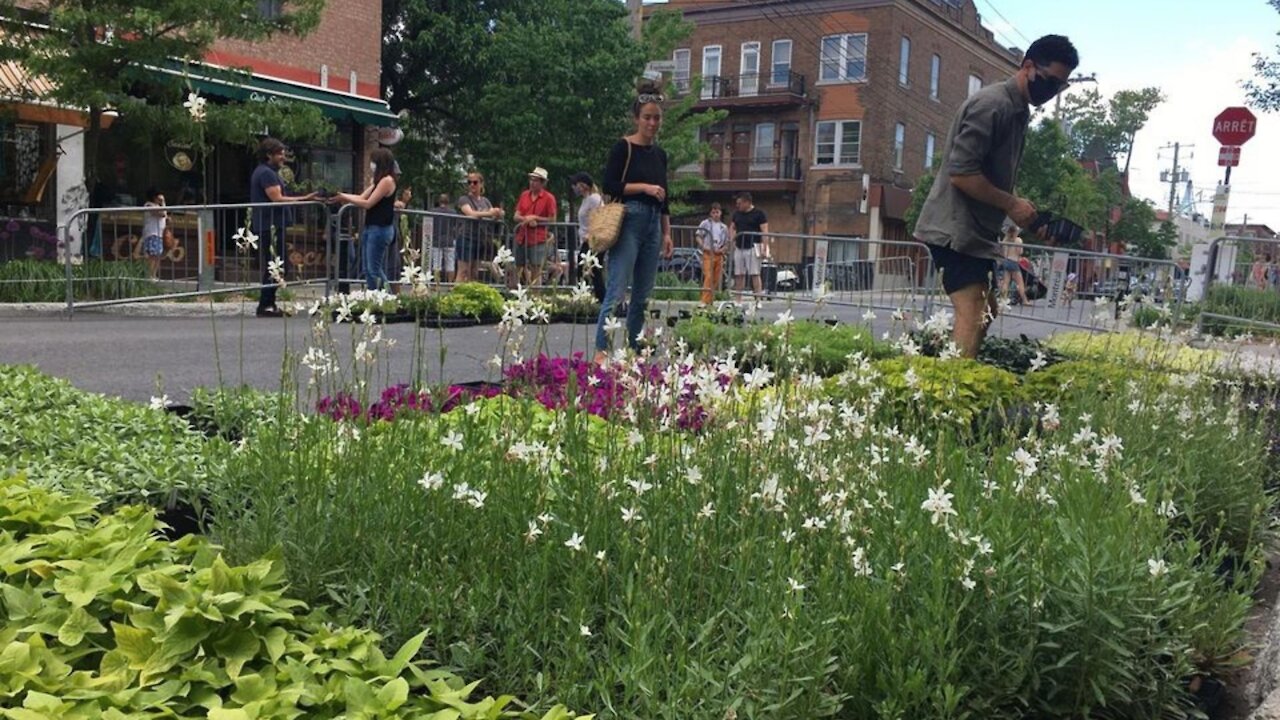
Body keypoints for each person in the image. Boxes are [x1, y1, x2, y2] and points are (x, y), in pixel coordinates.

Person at [913, 34, 1078, 357]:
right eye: (1051, 81)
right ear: (1028, 66)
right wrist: (1011, 203)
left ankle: (940, 364)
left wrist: (1027, 215)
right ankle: (953, 395)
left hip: (975, 232)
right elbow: (961, 173)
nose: (1053, 91)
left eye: (1061, 86)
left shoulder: (1017, 112)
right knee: (974, 312)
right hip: (954, 229)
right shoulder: (992, 105)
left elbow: (991, 178)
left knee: (986, 311)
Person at [594, 79, 674, 365]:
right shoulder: (623, 147)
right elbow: (610, 185)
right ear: (637, 118)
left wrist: (667, 232)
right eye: (647, 117)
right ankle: (601, 352)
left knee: (642, 295)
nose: (652, 123)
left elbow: (666, 196)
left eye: (657, 118)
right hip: (629, 218)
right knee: (616, 292)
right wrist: (643, 187)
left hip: (653, 223)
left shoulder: (661, 155)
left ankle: (635, 351)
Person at [250, 138, 317, 317]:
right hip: (269, 225)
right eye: (279, 153)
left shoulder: (268, 172)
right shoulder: (266, 173)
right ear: (268, 155)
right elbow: (277, 198)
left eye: (283, 153)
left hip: (271, 224)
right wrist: (305, 199)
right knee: (276, 266)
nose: (283, 157)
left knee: (277, 266)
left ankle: (268, 304)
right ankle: (265, 305)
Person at [331, 148, 398, 291]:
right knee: (368, 268)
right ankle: (378, 296)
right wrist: (341, 195)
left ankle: (386, 297)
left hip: (380, 228)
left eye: (373, 161)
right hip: (371, 227)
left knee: (373, 269)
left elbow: (368, 203)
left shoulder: (387, 181)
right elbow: (361, 197)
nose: (371, 165)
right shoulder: (378, 181)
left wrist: (345, 198)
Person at [513, 167, 558, 288]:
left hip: (538, 239)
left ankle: (535, 297)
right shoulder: (524, 195)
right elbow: (516, 216)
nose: (532, 183)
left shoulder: (549, 198)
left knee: (536, 269)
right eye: (531, 179)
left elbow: (552, 220)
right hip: (522, 237)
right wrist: (526, 219)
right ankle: (520, 293)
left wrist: (536, 218)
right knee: (518, 267)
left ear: (543, 183)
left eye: (536, 180)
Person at [456, 171, 504, 283]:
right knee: (463, 271)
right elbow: (470, 213)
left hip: (480, 239)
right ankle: (455, 296)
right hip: (466, 237)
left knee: (474, 272)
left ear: (481, 184)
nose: (472, 185)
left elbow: (492, 217)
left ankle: (471, 296)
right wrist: (490, 213)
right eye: (469, 182)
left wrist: (497, 214)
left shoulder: (485, 201)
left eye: (475, 182)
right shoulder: (464, 199)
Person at [570, 172, 605, 302]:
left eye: (576, 184)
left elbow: (600, 218)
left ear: (583, 185)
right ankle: (596, 298)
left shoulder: (594, 199)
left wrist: (591, 234)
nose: (574, 187)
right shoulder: (586, 200)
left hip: (593, 241)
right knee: (591, 270)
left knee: (587, 269)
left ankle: (596, 298)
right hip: (587, 240)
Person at [729, 191, 769, 300]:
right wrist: (732, 240)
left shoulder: (759, 214)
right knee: (739, 274)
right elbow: (732, 226)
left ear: (747, 202)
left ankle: (758, 298)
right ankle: (738, 299)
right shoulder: (737, 214)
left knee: (755, 274)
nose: (738, 206)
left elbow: (764, 231)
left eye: (740, 203)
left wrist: (764, 248)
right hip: (739, 247)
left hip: (753, 247)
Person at [696, 202, 729, 306]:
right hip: (708, 253)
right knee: (708, 276)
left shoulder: (724, 227)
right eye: (713, 212)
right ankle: (704, 300)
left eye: (717, 212)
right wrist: (703, 246)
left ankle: (710, 299)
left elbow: (727, 242)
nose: (715, 214)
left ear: (720, 213)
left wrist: (723, 249)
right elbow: (698, 235)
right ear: (710, 213)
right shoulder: (705, 223)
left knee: (715, 278)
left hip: (718, 253)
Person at [996, 225, 1031, 305]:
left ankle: (1003, 299)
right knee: (1020, 282)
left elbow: (1003, 251)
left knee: (1006, 283)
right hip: (1014, 261)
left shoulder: (1005, 240)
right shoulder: (1018, 240)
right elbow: (1020, 252)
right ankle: (1025, 300)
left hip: (1006, 261)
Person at [430, 193, 457, 284]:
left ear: (439, 201)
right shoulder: (453, 212)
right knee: (450, 263)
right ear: (448, 202)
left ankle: (436, 284)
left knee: (436, 264)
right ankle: (450, 284)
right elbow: (455, 225)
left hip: (436, 239)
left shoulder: (433, 211)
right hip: (449, 239)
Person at [141, 187, 166, 280]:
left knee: (158, 255)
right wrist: (163, 202)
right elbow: (162, 214)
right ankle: (149, 275)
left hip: (159, 233)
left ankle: (154, 274)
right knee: (153, 255)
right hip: (152, 233)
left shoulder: (158, 206)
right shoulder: (149, 205)